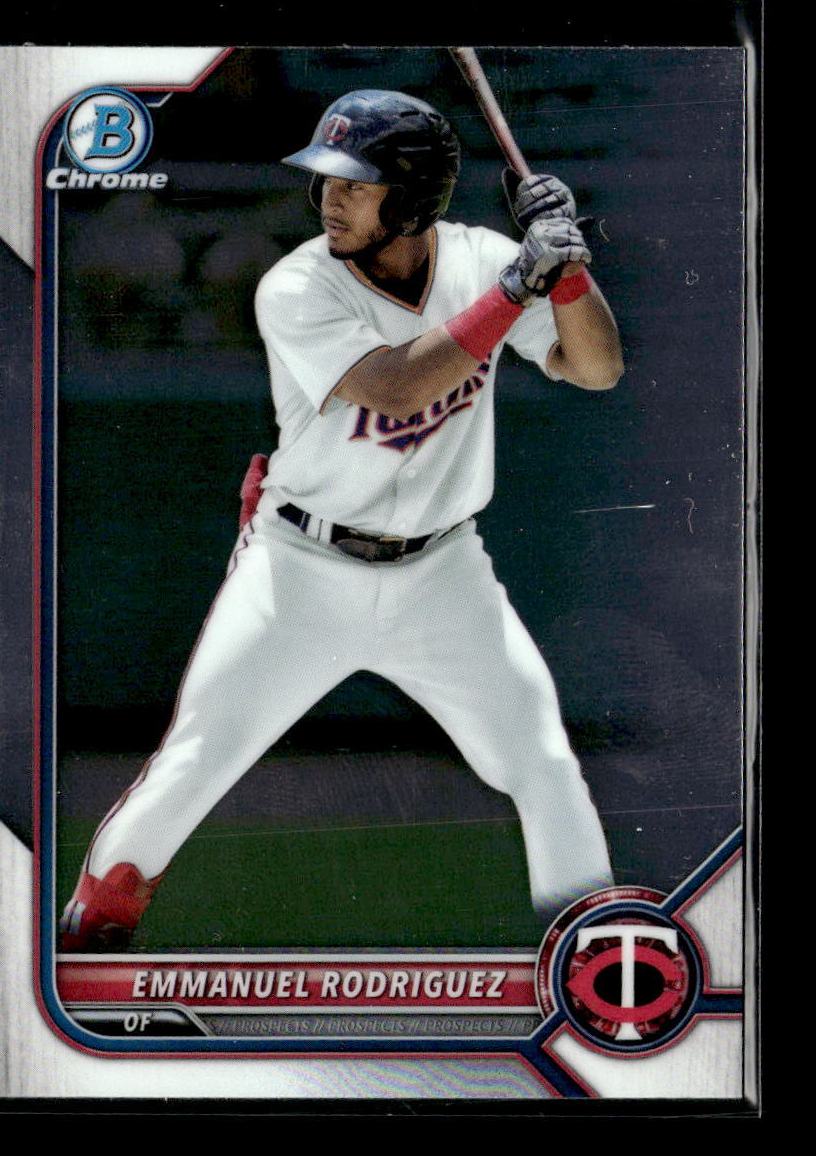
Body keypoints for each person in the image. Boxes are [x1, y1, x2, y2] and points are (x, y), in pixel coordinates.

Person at [60, 89, 624, 952]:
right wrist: (520, 286)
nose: (330, 198)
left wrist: (569, 267)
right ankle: (82, 952)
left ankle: (602, 970)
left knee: (545, 765)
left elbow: (597, 367)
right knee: (194, 763)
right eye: (326, 179)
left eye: (356, 184)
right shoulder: (296, 284)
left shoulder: (480, 259)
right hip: (299, 569)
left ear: (412, 197)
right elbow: (397, 386)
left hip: (443, 573)